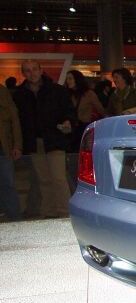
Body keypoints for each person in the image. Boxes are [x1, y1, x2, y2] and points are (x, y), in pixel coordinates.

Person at [13, 60, 75, 218]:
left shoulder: (56, 90)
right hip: (34, 142)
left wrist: (67, 121)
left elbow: (69, 111)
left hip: (54, 139)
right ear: (23, 73)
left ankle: (65, 212)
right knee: (44, 180)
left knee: (59, 178)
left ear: (41, 70)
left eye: (34, 69)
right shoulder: (19, 94)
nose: (31, 73)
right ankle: (49, 211)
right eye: (27, 70)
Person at [65, 70, 105, 192]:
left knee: (82, 159)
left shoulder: (88, 94)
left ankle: (83, 186)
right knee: (71, 160)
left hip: (83, 128)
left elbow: (101, 110)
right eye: (67, 79)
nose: (68, 81)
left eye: (71, 78)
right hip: (70, 129)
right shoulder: (66, 94)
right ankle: (74, 186)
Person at [0, 83, 22, 221]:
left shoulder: (2, 92)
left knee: (8, 182)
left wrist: (17, 145)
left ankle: (15, 217)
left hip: (3, 146)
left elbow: (14, 120)